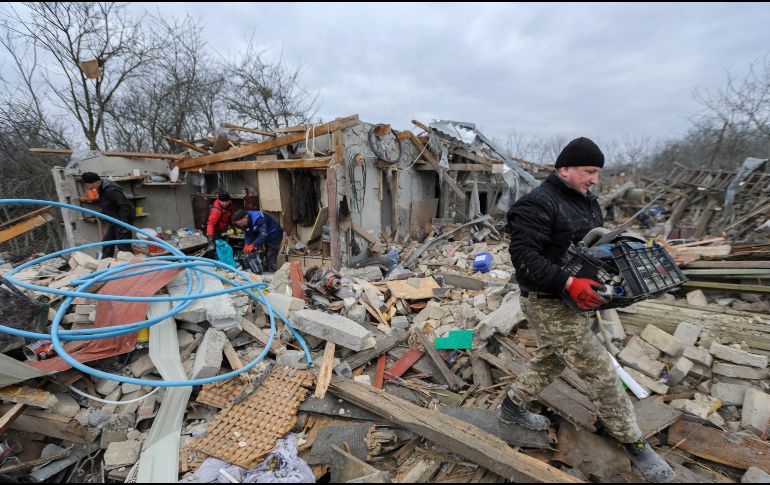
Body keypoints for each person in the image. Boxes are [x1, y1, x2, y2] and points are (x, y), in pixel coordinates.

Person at [500, 137, 675, 482]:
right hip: (547, 302)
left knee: (553, 358)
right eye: (589, 171)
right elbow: (524, 259)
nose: (595, 179)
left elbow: (595, 244)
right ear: (564, 169)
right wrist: (567, 282)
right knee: (600, 372)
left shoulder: (587, 202)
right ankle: (634, 444)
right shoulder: (537, 204)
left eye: (597, 173)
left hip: (577, 301)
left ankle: (512, 407)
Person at [81, 172, 134, 258]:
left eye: (89, 185)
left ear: (95, 182)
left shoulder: (110, 189)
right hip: (115, 220)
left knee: (123, 245)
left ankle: (132, 266)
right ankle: (105, 265)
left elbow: (125, 205)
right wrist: (103, 213)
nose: (89, 188)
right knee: (107, 242)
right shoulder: (102, 189)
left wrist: (124, 223)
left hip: (122, 219)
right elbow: (109, 204)